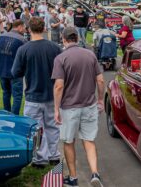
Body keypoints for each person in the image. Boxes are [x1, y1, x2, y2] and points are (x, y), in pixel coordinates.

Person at [52, 27, 105, 187]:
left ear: (64, 39)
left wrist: (56, 109)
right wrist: (100, 99)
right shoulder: (90, 55)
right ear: (77, 38)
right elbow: (101, 80)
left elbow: (59, 86)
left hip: (69, 108)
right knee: (89, 140)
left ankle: (73, 178)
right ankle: (95, 173)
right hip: (89, 105)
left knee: (68, 142)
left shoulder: (61, 58)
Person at [11, 17, 62, 169]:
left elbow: (15, 72)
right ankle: (53, 155)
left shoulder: (24, 49)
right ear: (44, 28)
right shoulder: (55, 48)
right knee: (52, 126)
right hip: (52, 94)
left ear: (28, 29)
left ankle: (39, 159)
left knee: (35, 129)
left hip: (33, 94)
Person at [0, 20, 26, 115]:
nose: (24, 30)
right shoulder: (22, 40)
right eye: (23, 27)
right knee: (17, 96)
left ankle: (6, 114)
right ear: (19, 27)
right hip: (16, 73)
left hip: (1, 70)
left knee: (6, 92)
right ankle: (14, 117)